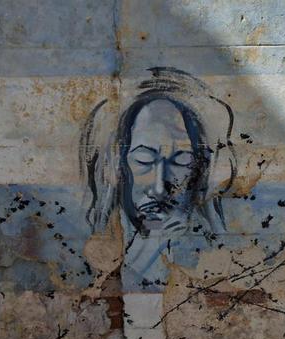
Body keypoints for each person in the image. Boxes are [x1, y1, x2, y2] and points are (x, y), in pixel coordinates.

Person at [80, 67, 237, 289]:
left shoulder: (207, 246)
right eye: (144, 160)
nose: (160, 187)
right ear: (116, 166)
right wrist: (149, 248)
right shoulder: (97, 255)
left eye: (181, 160)